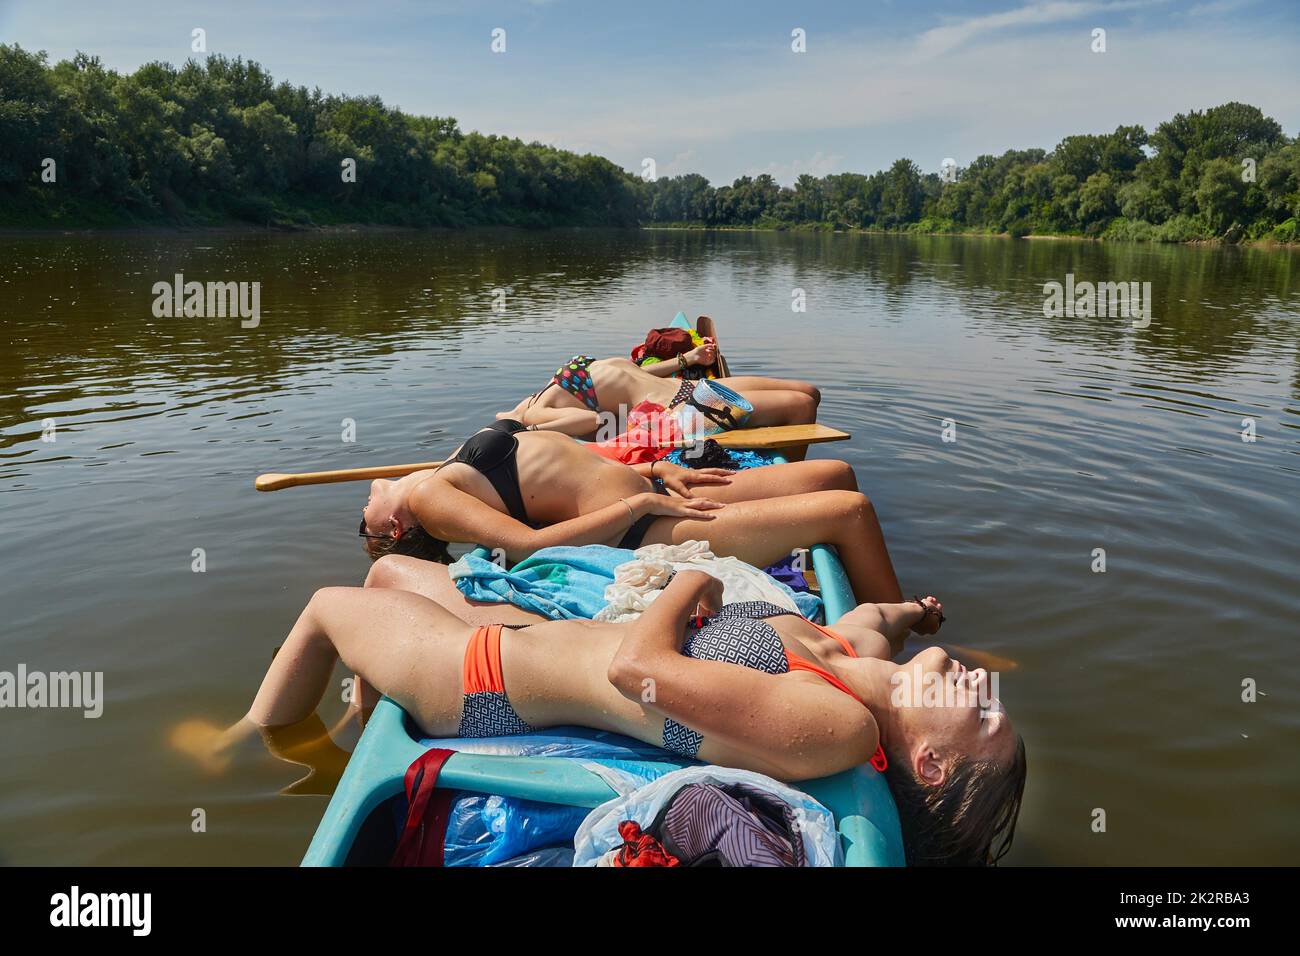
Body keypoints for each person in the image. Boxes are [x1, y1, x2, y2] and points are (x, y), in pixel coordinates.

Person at [175, 571, 1025, 865]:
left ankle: (240, 745)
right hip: (527, 641)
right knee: (394, 569)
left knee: (330, 607)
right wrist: (916, 609)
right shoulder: (853, 661)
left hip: (480, 679)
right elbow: (873, 619)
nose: (987, 691)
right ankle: (361, 714)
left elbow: (637, 668)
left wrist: (692, 589)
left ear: (931, 768)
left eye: (983, 718)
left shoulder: (841, 727)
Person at [359, 423, 941, 617]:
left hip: (658, 492)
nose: (362, 507)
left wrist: (661, 470)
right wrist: (638, 507)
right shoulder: (432, 501)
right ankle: (898, 636)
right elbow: (530, 543)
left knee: (834, 472)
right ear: (392, 530)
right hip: (642, 530)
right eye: (364, 521)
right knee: (850, 512)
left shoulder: (435, 472)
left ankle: (871, 598)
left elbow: (572, 457)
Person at [496, 348, 822, 438]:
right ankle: (789, 480)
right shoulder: (535, 413)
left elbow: (633, 372)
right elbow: (587, 420)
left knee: (810, 390)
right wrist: (531, 427)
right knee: (801, 405)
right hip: (678, 408)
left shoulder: (549, 388)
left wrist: (687, 360)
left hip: (686, 386)